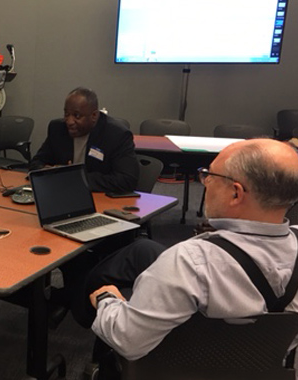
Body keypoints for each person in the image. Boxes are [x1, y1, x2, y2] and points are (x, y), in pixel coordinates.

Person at [82, 138, 298, 377]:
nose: (205, 182)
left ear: (236, 194)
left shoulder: (189, 262)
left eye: (210, 175)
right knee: (143, 251)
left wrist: (106, 299)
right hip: (268, 367)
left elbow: (126, 340)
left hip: (178, 368)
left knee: (116, 277)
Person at [29, 87, 139, 193]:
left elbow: (127, 180)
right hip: (62, 195)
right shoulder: (57, 129)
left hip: (100, 198)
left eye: (77, 116)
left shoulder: (116, 135)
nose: (69, 121)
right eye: (66, 114)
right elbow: (36, 163)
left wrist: (76, 177)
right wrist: (46, 170)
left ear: (94, 115)